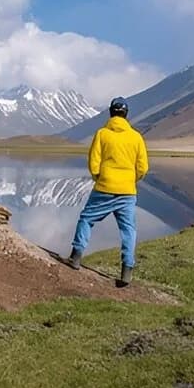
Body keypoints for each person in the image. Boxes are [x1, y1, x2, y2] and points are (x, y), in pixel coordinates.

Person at [68, 97, 149, 287]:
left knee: (87, 219)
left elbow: (93, 162)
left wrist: (99, 177)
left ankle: (76, 257)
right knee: (128, 229)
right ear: (126, 114)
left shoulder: (102, 134)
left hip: (104, 188)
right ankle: (127, 271)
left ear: (111, 113)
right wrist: (131, 180)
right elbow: (143, 167)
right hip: (127, 192)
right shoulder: (136, 137)